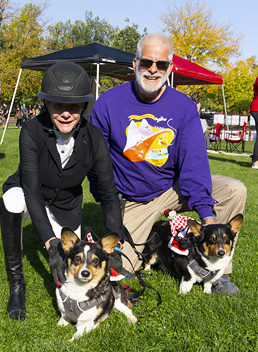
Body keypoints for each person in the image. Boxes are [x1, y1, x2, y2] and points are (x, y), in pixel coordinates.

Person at [90, 33, 247, 294]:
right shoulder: (107, 103)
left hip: (172, 189)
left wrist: (207, 216)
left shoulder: (184, 107)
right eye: (146, 63)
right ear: (135, 64)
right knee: (123, 267)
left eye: (161, 65)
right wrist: (107, 201)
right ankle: (155, 236)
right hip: (131, 199)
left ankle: (218, 272)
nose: (153, 70)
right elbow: (95, 162)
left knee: (234, 189)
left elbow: (194, 163)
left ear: (170, 68)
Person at [0, 62, 124, 321]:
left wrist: (117, 241)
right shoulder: (31, 130)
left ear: (83, 107)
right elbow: (32, 191)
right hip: (28, 194)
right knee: (11, 200)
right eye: (58, 106)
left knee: (74, 266)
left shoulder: (95, 137)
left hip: (66, 205)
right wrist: (50, 242)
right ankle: (17, 284)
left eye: (74, 107)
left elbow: (109, 193)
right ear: (46, 104)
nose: (66, 114)